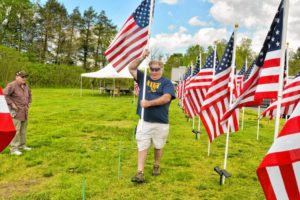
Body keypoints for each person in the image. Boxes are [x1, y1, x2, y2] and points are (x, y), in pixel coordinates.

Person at [128, 49, 175, 183]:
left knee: (158, 146)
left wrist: (148, 103)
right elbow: (131, 68)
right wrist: (142, 57)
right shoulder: (144, 78)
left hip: (161, 121)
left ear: (162, 69)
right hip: (145, 121)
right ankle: (140, 172)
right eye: (152, 69)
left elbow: (166, 98)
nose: (154, 72)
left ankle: (156, 164)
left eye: (157, 69)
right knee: (142, 145)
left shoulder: (167, 83)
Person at [4, 71, 32, 156]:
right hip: (15, 112)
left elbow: (30, 95)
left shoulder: (26, 85)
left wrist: (29, 103)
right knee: (16, 131)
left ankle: (22, 145)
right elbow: (4, 95)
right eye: (22, 77)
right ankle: (14, 149)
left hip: (24, 112)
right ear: (17, 77)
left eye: (25, 77)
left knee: (23, 130)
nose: (24, 79)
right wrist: (12, 104)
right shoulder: (11, 85)